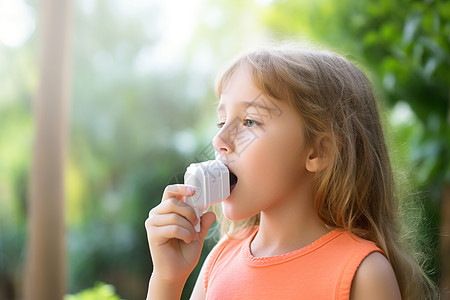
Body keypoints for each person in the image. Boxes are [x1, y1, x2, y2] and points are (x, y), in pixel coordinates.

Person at [145, 43, 436, 299]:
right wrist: (167, 281)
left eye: (249, 122)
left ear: (317, 151)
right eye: (222, 122)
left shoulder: (362, 273)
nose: (219, 140)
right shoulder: (219, 261)